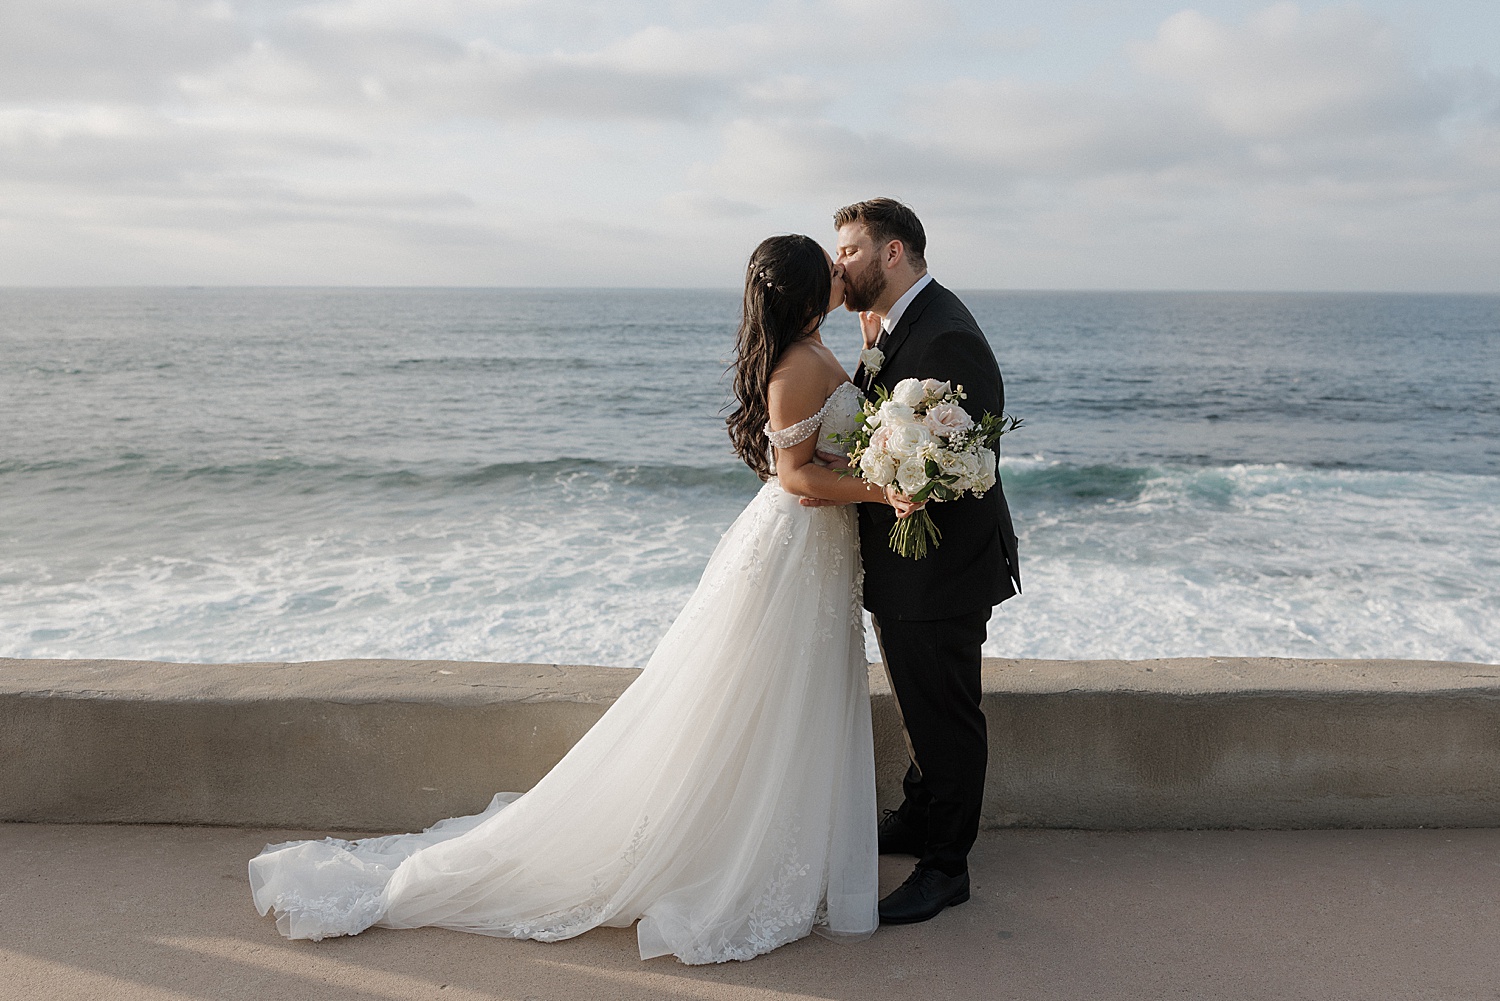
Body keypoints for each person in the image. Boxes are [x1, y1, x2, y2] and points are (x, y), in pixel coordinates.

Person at [248, 234, 893, 964]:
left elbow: (831, 435)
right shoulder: (794, 367)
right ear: (810, 293)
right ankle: (729, 845)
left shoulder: (811, 349)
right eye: (832, 268)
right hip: (795, 548)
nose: (845, 272)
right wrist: (882, 486)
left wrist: (870, 352)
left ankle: (777, 835)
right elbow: (796, 478)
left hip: (816, 552)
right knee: (762, 698)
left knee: (790, 699)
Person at [811, 198, 1020, 925]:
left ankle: (946, 866)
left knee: (947, 714)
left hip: (942, 569)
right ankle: (921, 811)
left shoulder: (947, 334)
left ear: (892, 252)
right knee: (919, 701)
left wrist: (900, 478)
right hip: (911, 567)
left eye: (848, 251)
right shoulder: (899, 327)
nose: (839, 265)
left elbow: (966, 458)